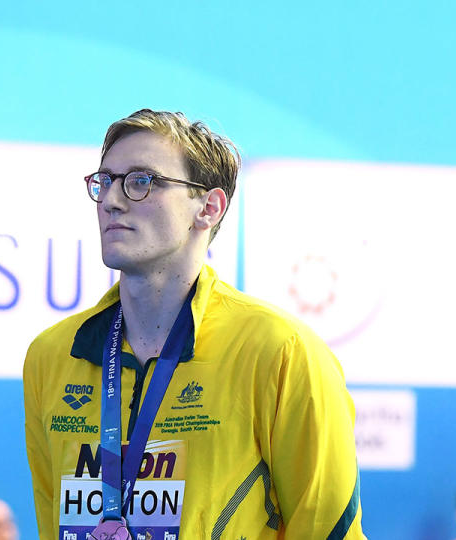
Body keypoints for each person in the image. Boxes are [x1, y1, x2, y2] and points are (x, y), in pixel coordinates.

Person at [23, 109, 364, 539]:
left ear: (208, 207)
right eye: (105, 180)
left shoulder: (280, 350)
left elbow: (326, 529)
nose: (111, 199)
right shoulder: (52, 355)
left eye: (141, 181)